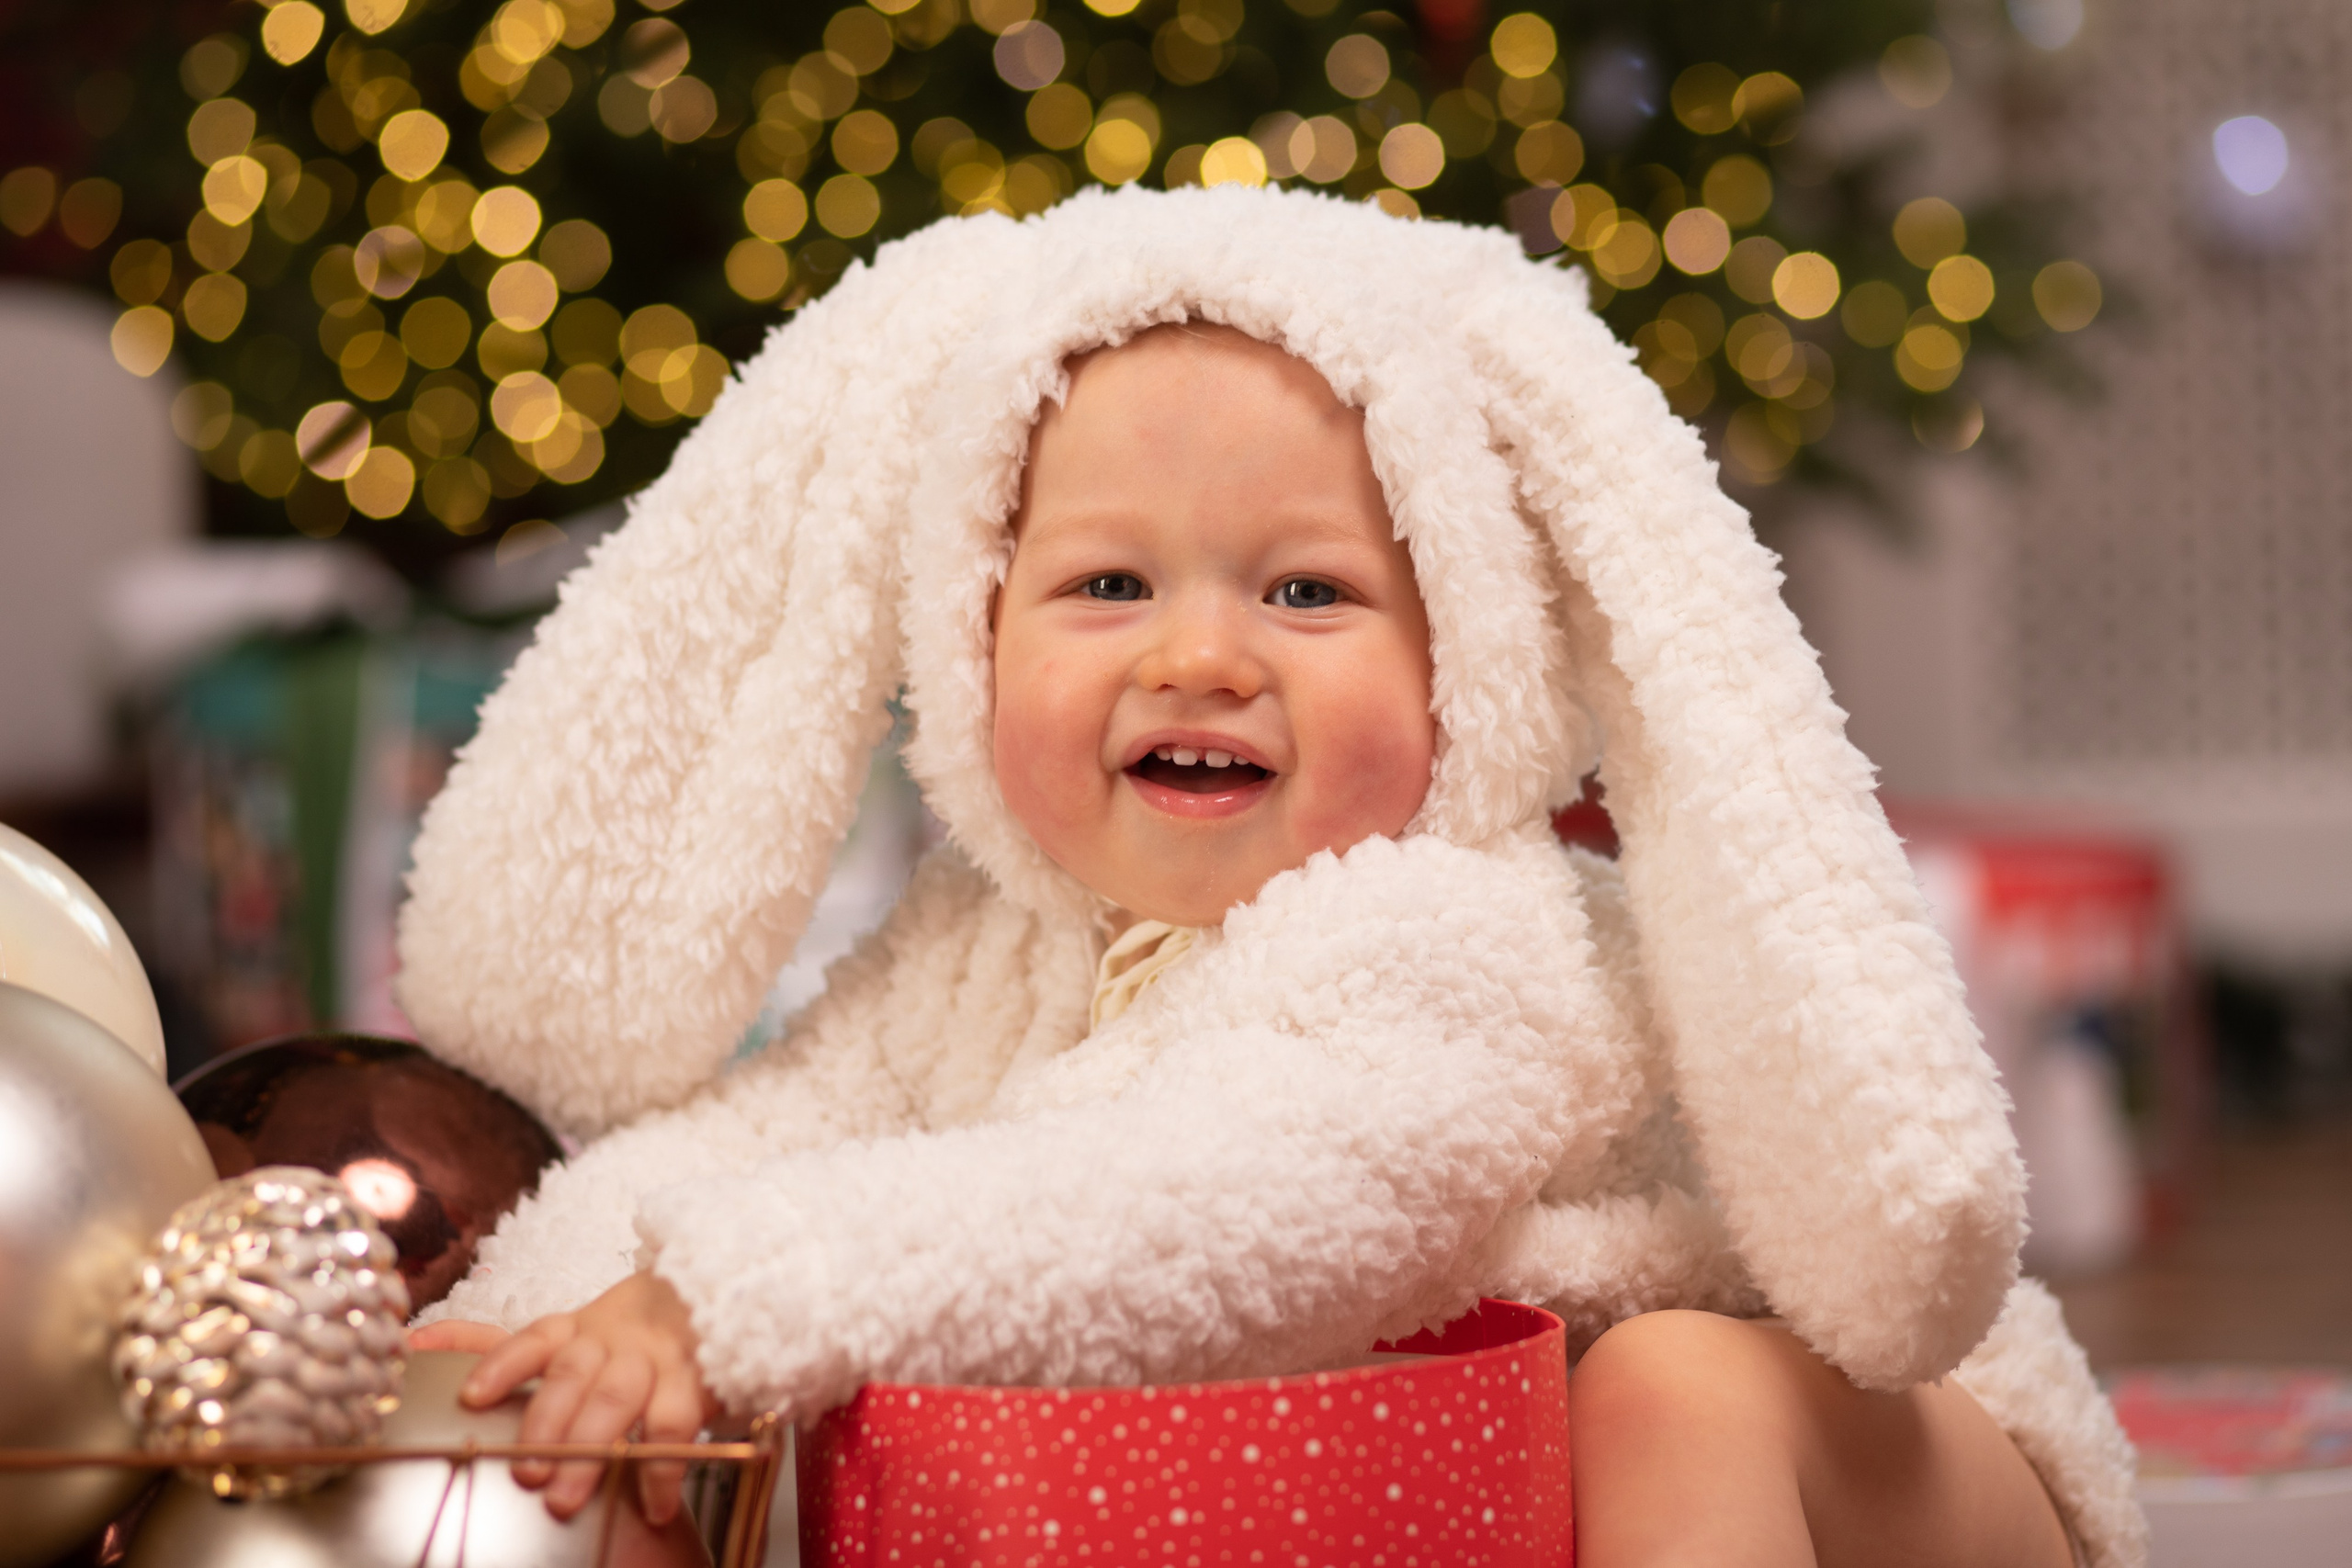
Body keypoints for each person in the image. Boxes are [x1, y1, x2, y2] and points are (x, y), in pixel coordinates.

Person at [400, 186, 2144, 1567]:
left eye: (1306, 593)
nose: (1199, 660)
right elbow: (764, 1136)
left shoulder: (1469, 941)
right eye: (1107, 588)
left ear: (1470, 660)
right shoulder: (978, 950)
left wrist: (735, 1298)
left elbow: (1207, 1207)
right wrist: (529, 1337)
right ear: (970, 638)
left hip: (1894, 1478)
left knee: (1677, 1398)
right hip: (1467, 1500)